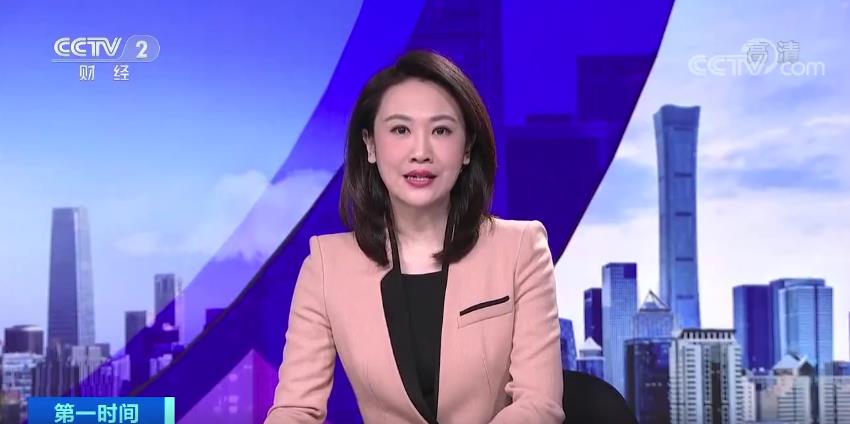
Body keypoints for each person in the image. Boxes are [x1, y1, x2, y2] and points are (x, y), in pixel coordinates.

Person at [265, 50, 564, 424]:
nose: (421, 152)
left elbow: (538, 405)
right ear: (370, 145)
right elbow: (295, 410)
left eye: (441, 131)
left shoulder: (520, 249)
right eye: (400, 130)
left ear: (467, 148)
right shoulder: (326, 267)